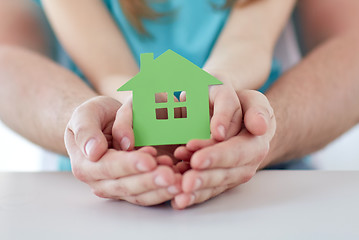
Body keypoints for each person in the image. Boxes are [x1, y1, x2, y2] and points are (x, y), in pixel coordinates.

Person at [0, 0, 358, 210]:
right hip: (97, 202)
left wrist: (227, 92)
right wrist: (120, 113)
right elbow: (106, 68)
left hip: (267, 192)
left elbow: (250, 41)